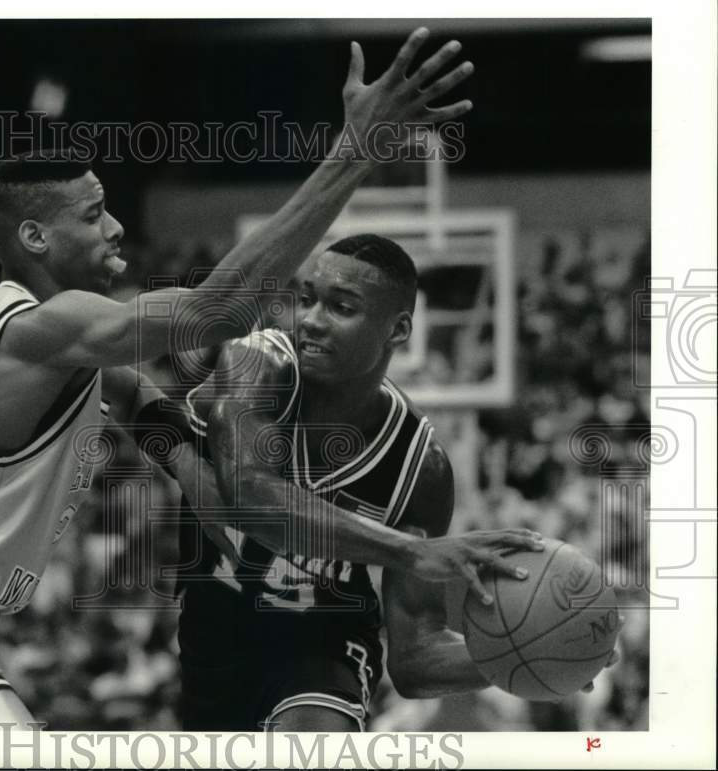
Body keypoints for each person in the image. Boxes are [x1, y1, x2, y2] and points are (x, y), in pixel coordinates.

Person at [0, 27, 511, 731]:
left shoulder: (54, 346)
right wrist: (354, 153)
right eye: (93, 214)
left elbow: (131, 392)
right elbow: (218, 312)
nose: (116, 227)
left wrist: (188, 470)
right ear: (35, 240)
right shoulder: (41, 324)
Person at [164, 234, 618, 732]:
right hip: (212, 638)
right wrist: (408, 550)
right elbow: (252, 498)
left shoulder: (420, 469)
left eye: (341, 307)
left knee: (312, 738)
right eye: (307, 298)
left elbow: (416, 659)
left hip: (323, 644)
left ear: (398, 329)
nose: (311, 319)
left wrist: (536, 655)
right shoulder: (258, 363)